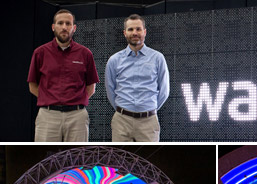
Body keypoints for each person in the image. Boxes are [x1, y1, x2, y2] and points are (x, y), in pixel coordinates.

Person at [27, 9, 99, 142]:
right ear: (53, 27)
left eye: (68, 23)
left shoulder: (85, 53)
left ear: (74, 28)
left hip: (77, 116)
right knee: (45, 155)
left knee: (79, 156)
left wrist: (72, 101)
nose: (64, 27)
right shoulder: (40, 53)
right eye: (60, 23)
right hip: (48, 116)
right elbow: (32, 85)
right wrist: (51, 99)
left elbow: (91, 87)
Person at [105, 14, 169, 142]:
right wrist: (122, 109)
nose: (135, 33)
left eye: (138, 29)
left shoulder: (157, 58)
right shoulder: (114, 60)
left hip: (148, 121)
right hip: (121, 121)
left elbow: (164, 91)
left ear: (144, 32)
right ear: (125, 33)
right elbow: (110, 90)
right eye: (131, 29)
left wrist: (149, 108)